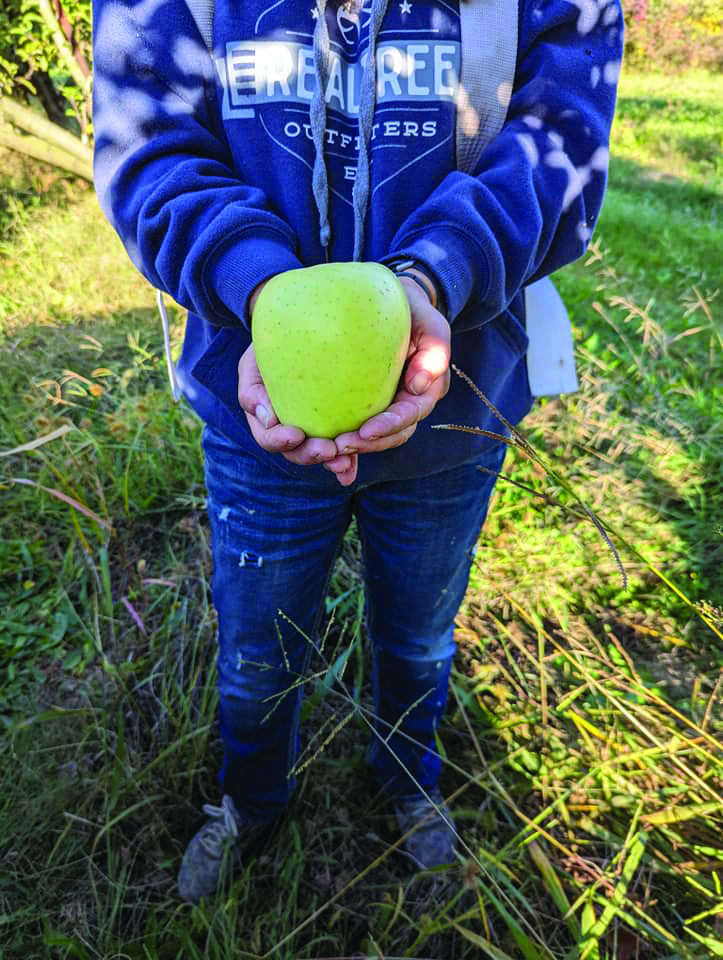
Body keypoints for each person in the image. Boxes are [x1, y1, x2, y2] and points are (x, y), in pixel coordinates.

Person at [92, 0, 623, 902]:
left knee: (418, 633)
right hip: (257, 402)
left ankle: (407, 778)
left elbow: (556, 139)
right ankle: (251, 801)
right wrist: (254, 281)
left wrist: (435, 273)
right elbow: (149, 144)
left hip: (455, 402)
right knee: (258, 645)